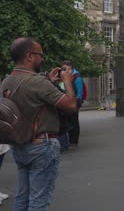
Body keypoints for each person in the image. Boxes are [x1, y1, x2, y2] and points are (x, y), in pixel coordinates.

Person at [1, 37, 77, 210]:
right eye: (39, 54)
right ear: (29, 56)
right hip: (42, 146)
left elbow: (30, 99)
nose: (42, 58)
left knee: (22, 196)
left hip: (20, 145)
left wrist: (49, 82)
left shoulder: (7, 81)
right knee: (39, 200)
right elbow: (71, 105)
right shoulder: (37, 82)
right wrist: (67, 81)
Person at [61, 60, 83, 148]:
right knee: (69, 120)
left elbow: (79, 91)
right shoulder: (66, 75)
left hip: (74, 101)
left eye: (65, 68)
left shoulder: (76, 76)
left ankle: (73, 141)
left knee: (74, 121)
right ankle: (69, 141)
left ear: (70, 67)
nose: (63, 70)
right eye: (62, 68)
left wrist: (77, 102)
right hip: (68, 100)